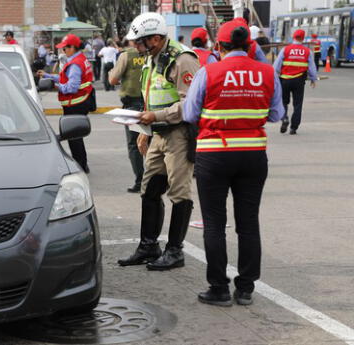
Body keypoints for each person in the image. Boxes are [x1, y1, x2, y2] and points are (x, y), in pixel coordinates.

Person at [183, 21, 284, 306]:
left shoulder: (209, 71)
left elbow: (190, 114)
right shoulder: (266, 72)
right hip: (253, 154)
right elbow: (276, 114)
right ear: (250, 45)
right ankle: (246, 288)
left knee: (214, 223)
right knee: (248, 223)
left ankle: (219, 288)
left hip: (214, 154)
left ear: (219, 46)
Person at [117, 13, 199, 270]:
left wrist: (158, 117)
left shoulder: (182, 59)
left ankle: (175, 251)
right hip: (157, 132)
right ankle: (148, 246)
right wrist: (145, 129)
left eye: (139, 42)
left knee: (179, 192)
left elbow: (191, 104)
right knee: (150, 188)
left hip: (178, 133)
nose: (135, 47)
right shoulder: (152, 58)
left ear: (156, 38)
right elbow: (151, 96)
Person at [37, 34, 95, 173]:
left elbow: (71, 87)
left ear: (73, 47)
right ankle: (83, 164)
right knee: (76, 136)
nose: (63, 51)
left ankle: (81, 166)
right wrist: (48, 76)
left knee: (74, 137)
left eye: (65, 48)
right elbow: (64, 77)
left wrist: (55, 86)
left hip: (75, 103)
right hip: (81, 101)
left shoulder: (75, 64)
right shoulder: (79, 60)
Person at [109, 39, 146, 193]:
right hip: (152, 103)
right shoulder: (153, 53)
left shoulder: (126, 56)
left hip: (133, 105)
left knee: (135, 145)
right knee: (154, 143)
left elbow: (112, 80)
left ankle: (140, 181)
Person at [274, 29, 317, 135]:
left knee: (283, 102)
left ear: (293, 37)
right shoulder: (307, 51)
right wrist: (313, 78)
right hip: (299, 81)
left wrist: (274, 78)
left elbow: (276, 66)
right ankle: (294, 128)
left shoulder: (285, 49)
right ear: (303, 38)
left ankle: (284, 118)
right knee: (297, 104)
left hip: (284, 80)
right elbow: (312, 67)